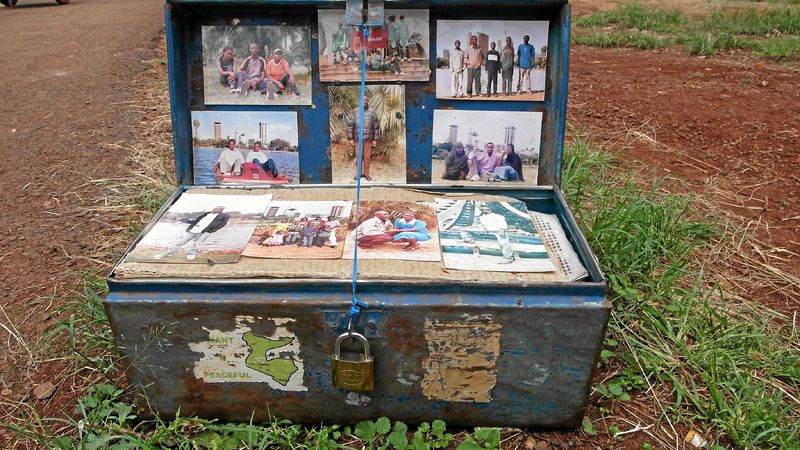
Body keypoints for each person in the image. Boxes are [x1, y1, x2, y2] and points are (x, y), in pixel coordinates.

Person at [154, 206, 230, 260]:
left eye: (219, 209)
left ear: (222, 210)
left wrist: (212, 230)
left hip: (205, 231)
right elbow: (195, 221)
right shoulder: (207, 214)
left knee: (197, 243)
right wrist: (184, 220)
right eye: (216, 208)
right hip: (193, 229)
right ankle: (169, 252)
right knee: (181, 241)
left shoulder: (224, 216)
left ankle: (192, 254)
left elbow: (222, 224)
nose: (216, 209)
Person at [346, 97, 380, 182]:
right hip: (358, 140)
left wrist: (375, 140)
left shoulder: (372, 113)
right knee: (359, 157)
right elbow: (350, 126)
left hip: (368, 140)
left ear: (368, 101)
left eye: (366, 100)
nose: (364, 102)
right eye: (362, 100)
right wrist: (351, 138)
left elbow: (376, 127)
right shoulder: (355, 112)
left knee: (367, 158)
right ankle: (358, 174)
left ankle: (366, 174)